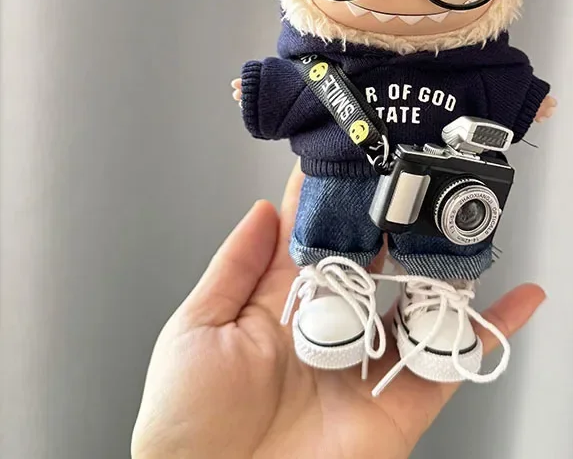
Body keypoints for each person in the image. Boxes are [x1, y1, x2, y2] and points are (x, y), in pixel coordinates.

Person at [131, 163, 545, 459]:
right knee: (339, 191)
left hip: (442, 153)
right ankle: (336, 280)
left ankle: (436, 283)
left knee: (451, 197)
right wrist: (259, 90)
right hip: (348, 147)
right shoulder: (329, 74)